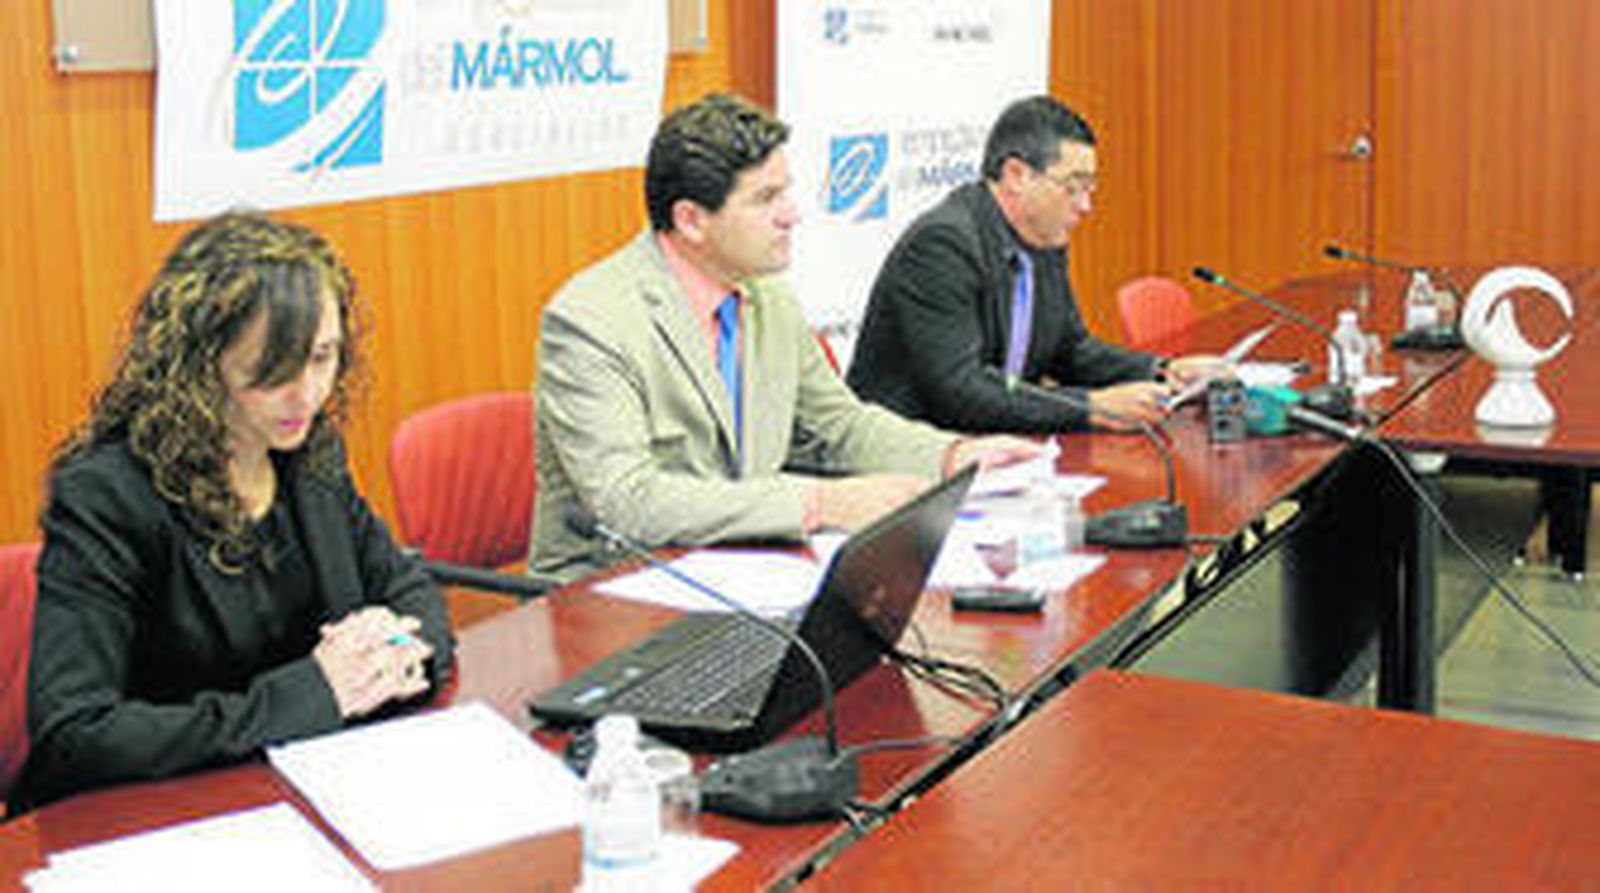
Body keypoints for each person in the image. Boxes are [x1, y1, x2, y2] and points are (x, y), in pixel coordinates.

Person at [11, 212, 453, 812]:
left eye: (323, 357)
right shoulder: (106, 497)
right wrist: (312, 693)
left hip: (307, 790)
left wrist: (389, 651)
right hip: (157, 820)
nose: (307, 394)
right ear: (199, 368)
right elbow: (76, 733)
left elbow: (409, 592)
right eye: (272, 374)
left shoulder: (310, 452)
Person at [532, 93, 1035, 580]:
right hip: (609, 597)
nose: (791, 214)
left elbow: (839, 426)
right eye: (765, 198)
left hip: (740, 570)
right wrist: (820, 503)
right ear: (691, 220)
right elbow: (628, 502)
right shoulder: (590, 322)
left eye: (785, 191)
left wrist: (952, 455)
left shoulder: (767, 295)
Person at [847, 95, 1222, 433]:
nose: (1085, 206)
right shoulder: (943, 245)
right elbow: (960, 388)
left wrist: (1161, 371)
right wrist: (1091, 408)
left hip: (993, 443)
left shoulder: (1043, 237)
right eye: (1072, 187)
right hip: (915, 459)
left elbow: (1070, 350)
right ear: (1016, 176)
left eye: (1090, 188)